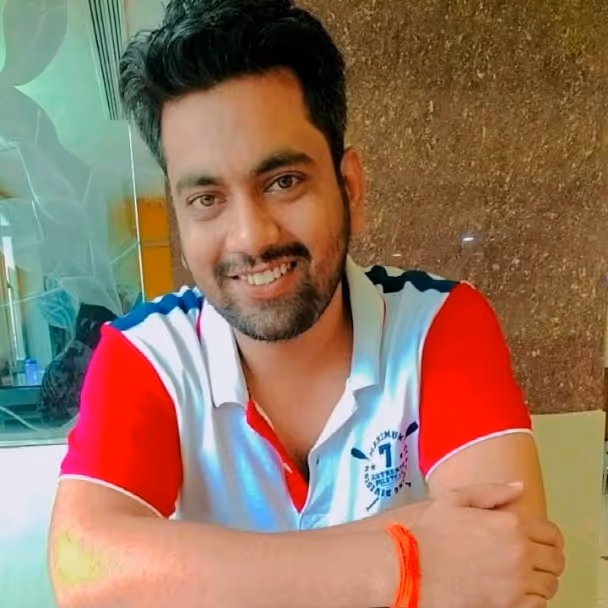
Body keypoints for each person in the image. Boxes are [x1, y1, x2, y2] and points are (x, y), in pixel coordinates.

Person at [48, 1, 565, 607]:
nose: (250, 237)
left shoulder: (438, 325)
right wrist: (405, 558)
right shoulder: (149, 356)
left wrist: (191, 577)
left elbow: (506, 570)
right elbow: (85, 573)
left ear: (350, 188)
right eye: (207, 198)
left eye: (283, 182)